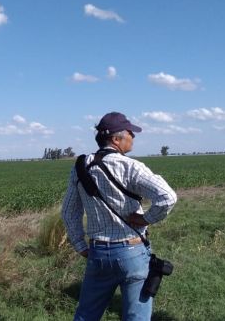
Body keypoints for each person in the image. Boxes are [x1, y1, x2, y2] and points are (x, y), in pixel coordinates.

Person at [61, 111, 177, 321]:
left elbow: (69, 211)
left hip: (97, 252)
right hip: (132, 251)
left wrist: (80, 245)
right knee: (136, 317)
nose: (133, 136)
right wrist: (145, 219)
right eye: (130, 133)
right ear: (116, 139)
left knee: (86, 315)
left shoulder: (80, 166)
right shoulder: (131, 166)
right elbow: (167, 197)